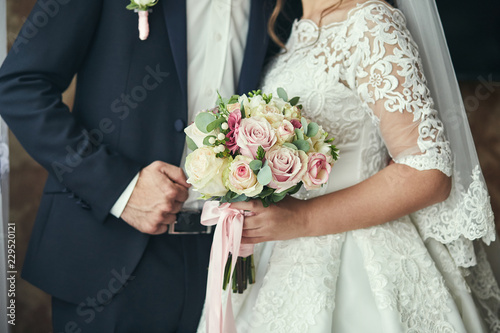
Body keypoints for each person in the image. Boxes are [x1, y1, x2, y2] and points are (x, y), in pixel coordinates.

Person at [198, 0, 500, 332]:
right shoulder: (298, 26)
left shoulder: (371, 22)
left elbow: (428, 172)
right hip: (281, 257)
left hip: (361, 258)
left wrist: (302, 218)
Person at [0, 0, 300, 331]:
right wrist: (121, 188)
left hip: (231, 260)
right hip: (112, 255)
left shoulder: (282, 5)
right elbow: (20, 86)